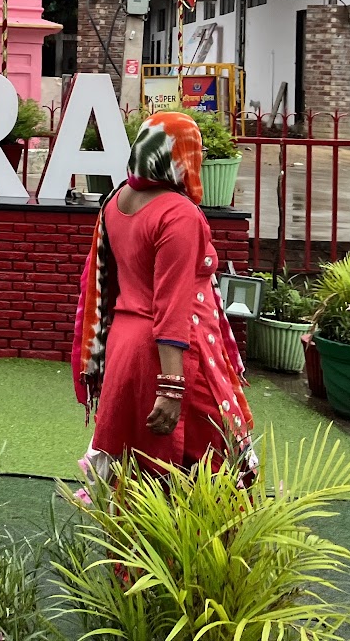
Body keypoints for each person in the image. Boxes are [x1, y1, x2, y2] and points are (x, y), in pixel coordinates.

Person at [71, 111, 254, 480]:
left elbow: (106, 282)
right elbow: (172, 306)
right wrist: (171, 388)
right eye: (195, 151)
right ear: (180, 155)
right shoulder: (179, 215)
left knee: (138, 473)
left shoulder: (115, 200)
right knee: (210, 467)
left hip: (126, 350)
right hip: (169, 354)